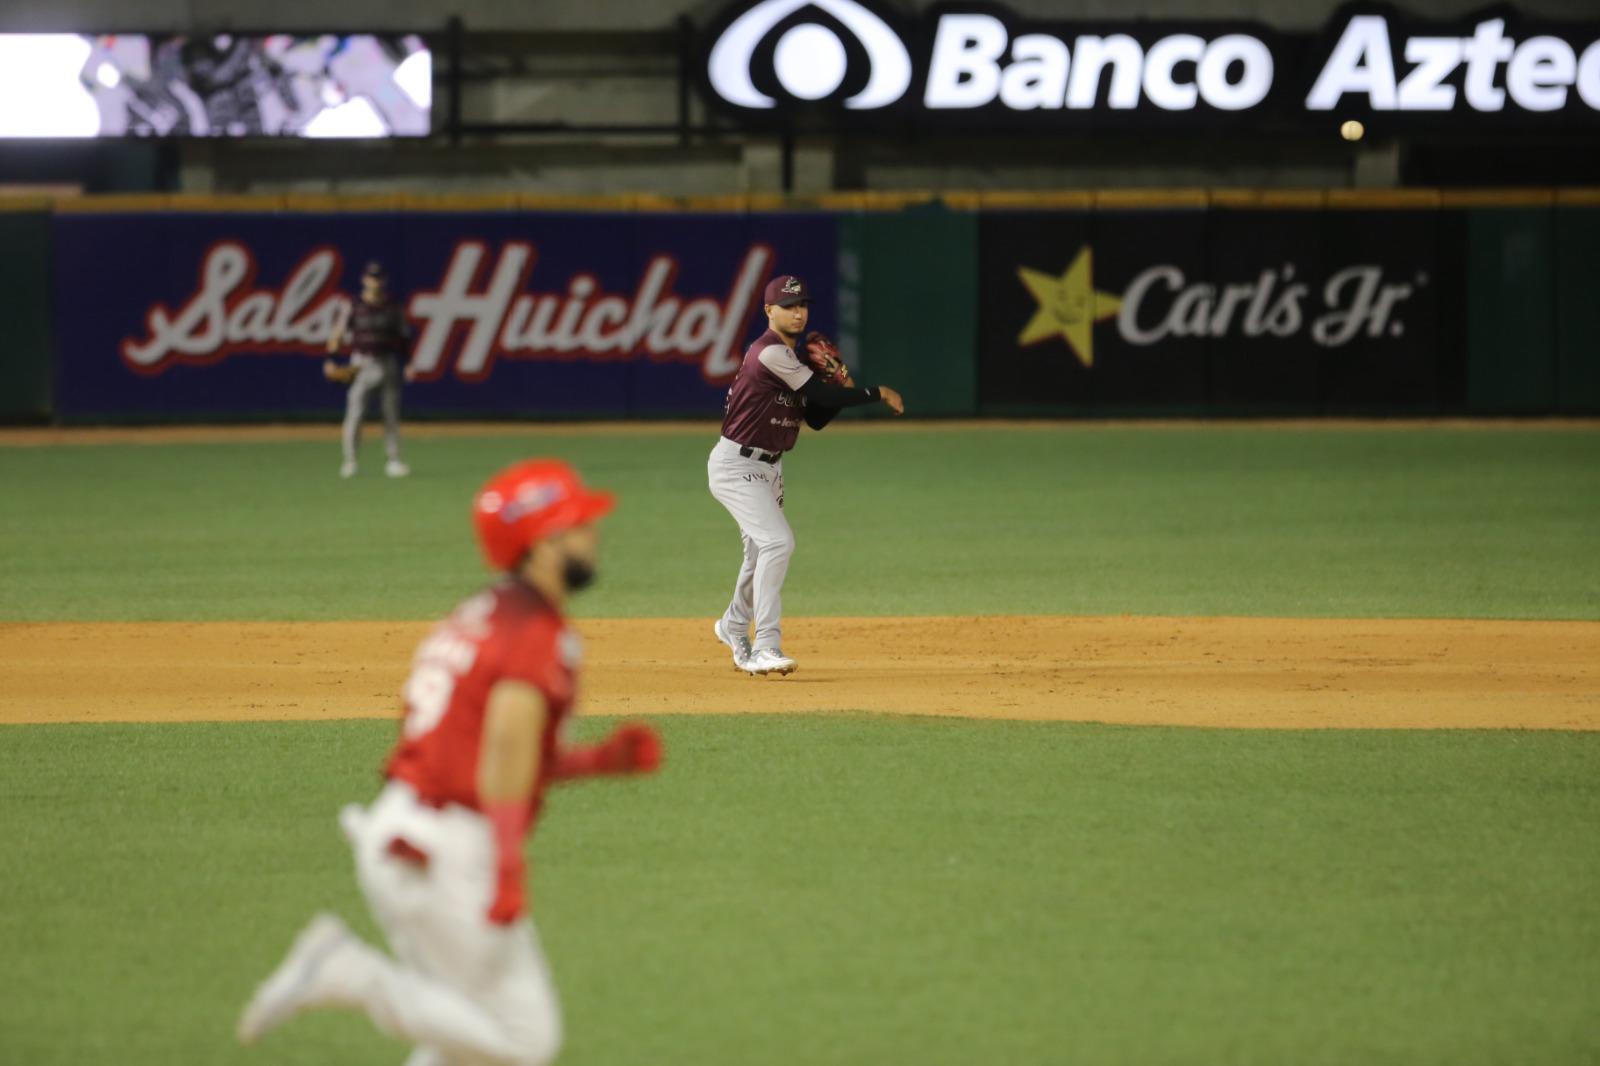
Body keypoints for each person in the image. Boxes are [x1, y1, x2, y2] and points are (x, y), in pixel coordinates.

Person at [237, 458, 662, 1066]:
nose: (593, 534)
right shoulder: (533, 633)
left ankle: (346, 972)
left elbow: (476, 746)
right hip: (443, 851)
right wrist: (510, 866)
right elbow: (503, 756)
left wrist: (595, 762)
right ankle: (347, 973)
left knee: (460, 1039)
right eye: (577, 524)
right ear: (542, 544)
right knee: (523, 1039)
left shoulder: (484, 612)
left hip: (407, 831)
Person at [708, 274, 905, 676]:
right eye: (788, 305)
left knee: (760, 552)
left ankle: (731, 625)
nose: (797, 313)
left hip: (768, 467)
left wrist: (838, 384)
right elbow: (824, 396)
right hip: (737, 466)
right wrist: (872, 392)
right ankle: (766, 645)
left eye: (802, 306)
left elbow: (816, 415)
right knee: (778, 542)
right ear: (769, 311)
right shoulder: (769, 353)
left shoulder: (793, 361)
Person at [325, 260, 416, 479]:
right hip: (362, 364)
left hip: (388, 362)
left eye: (378, 277)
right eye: (371, 277)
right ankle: (350, 461)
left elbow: (404, 338)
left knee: (391, 415)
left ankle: (393, 461)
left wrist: (409, 363)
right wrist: (331, 358)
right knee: (355, 415)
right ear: (364, 280)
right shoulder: (354, 306)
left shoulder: (393, 306)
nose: (375, 281)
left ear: (383, 280)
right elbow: (337, 334)